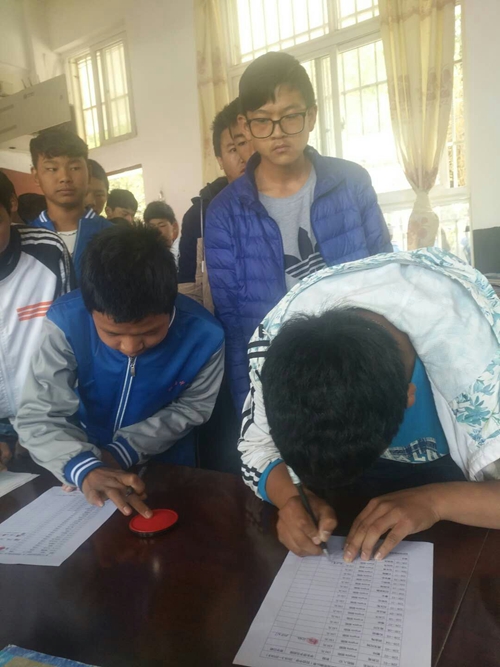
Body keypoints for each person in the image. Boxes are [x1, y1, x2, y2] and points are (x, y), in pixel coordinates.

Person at [238, 248, 500, 561]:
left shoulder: (482, 370)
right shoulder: (278, 353)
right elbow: (255, 446)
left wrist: (435, 503)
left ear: (409, 397)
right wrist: (293, 498)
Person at [205, 52, 392, 413]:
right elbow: (234, 324)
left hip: (361, 365)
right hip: (284, 382)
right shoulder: (224, 215)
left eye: (291, 116)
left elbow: (387, 280)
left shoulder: (352, 182)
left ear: (312, 116)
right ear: (245, 125)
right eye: (263, 121)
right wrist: (250, 410)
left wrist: (392, 372)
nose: (278, 133)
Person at [15, 225, 224, 517]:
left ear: (170, 303)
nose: (130, 347)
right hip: (81, 460)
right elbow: (39, 413)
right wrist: (82, 466)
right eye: (112, 333)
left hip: (168, 465)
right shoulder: (65, 322)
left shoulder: (205, 336)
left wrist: (122, 451)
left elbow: (193, 407)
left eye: (149, 332)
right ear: (90, 310)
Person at [0, 171, 75, 465]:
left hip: (47, 416)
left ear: (11, 204)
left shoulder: (47, 250)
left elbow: (70, 342)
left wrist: (42, 423)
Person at [178, 98, 252, 310]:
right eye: (234, 149)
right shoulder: (199, 216)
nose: (244, 156)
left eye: (248, 144)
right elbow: (188, 292)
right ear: (220, 160)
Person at [29, 128, 112, 281]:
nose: (65, 177)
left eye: (74, 168)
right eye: (52, 169)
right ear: (36, 176)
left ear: (88, 172)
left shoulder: (115, 236)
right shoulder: (25, 240)